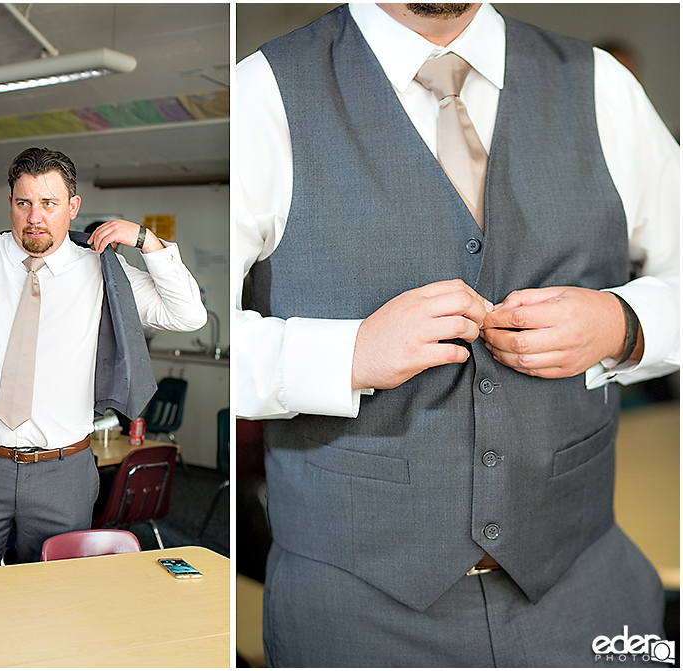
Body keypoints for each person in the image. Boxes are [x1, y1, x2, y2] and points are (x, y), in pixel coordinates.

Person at [236, 3, 679, 667]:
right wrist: (345, 355)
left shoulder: (603, 86)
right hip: (354, 619)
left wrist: (623, 323)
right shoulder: (261, 94)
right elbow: (185, 324)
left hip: (588, 590)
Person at [0, 147, 206, 568]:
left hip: (63, 471)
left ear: (72, 207)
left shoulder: (103, 270)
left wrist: (146, 241)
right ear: (11, 205)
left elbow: (189, 315)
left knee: (56, 605)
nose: (35, 217)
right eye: (24, 203)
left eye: (49, 203)